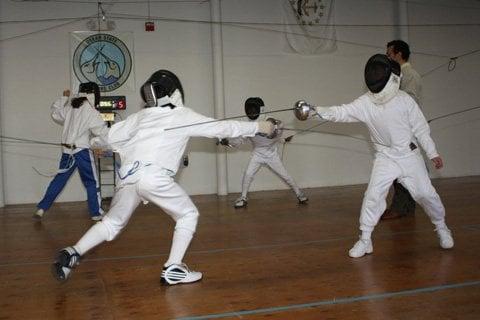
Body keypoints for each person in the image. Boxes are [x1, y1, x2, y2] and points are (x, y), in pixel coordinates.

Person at [51, 70, 277, 285]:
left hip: (128, 177)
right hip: (153, 176)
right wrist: (260, 126)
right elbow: (222, 128)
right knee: (188, 214)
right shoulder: (181, 115)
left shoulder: (140, 116)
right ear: (175, 92)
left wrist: (95, 144)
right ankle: (173, 268)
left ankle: (73, 252)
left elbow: (108, 137)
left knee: (111, 223)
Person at [300, 54, 454, 258]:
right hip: (385, 158)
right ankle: (365, 240)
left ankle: (441, 227)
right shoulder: (365, 103)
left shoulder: (405, 100)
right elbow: (341, 112)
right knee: (373, 196)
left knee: (426, 194)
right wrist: (314, 111)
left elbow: (421, 129)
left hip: (409, 156)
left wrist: (432, 152)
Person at [34, 83, 109, 221]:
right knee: (92, 183)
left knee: (59, 180)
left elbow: (55, 113)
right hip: (82, 152)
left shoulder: (70, 108)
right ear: (94, 94)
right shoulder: (92, 112)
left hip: (67, 152)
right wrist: (99, 145)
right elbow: (104, 134)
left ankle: (41, 208)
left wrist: (64, 98)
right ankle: (96, 213)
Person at [221, 97, 308, 208]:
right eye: (249, 109)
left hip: (271, 154)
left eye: (254, 109)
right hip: (257, 153)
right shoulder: (248, 125)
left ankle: (300, 194)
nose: (251, 112)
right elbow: (241, 140)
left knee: (285, 176)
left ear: (260, 109)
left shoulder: (269, 119)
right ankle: (243, 197)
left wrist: (275, 130)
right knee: (248, 174)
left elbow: (280, 127)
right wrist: (228, 141)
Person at [382, 39, 422, 220]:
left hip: (404, 131)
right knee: (401, 168)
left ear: (398, 54)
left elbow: (410, 101)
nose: (388, 56)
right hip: (397, 129)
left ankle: (399, 208)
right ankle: (405, 207)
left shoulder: (410, 75)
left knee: (399, 169)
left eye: (389, 53)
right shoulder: (397, 75)